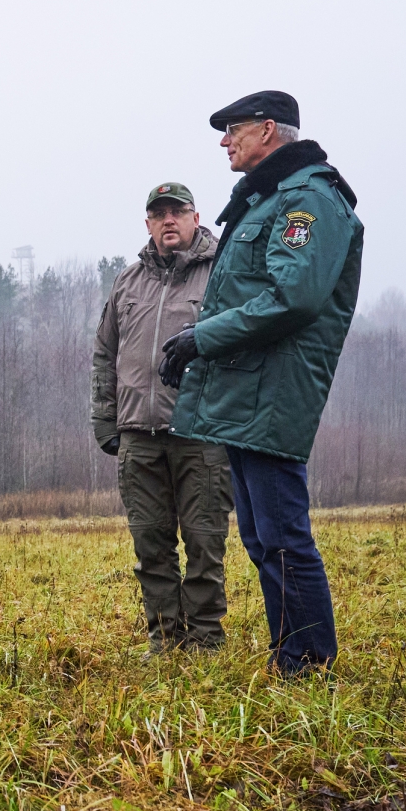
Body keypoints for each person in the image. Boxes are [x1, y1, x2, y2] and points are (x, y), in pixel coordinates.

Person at [162, 90, 362, 676]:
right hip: (247, 392)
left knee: (280, 535)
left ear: (268, 130)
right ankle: (290, 653)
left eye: (233, 130)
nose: (225, 142)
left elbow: (292, 297)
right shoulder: (267, 200)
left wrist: (204, 336)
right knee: (260, 534)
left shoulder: (309, 202)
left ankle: (308, 663)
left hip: (272, 393)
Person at [92, 182, 232, 655]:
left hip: (202, 434)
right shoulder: (127, 282)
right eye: (159, 214)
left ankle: (206, 641)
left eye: (178, 211)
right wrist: (104, 419)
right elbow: (104, 352)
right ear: (148, 224)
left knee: (204, 544)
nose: (168, 220)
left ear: (195, 217)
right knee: (150, 546)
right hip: (138, 436)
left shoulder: (222, 273)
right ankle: (165, 642)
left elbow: (241, 344)